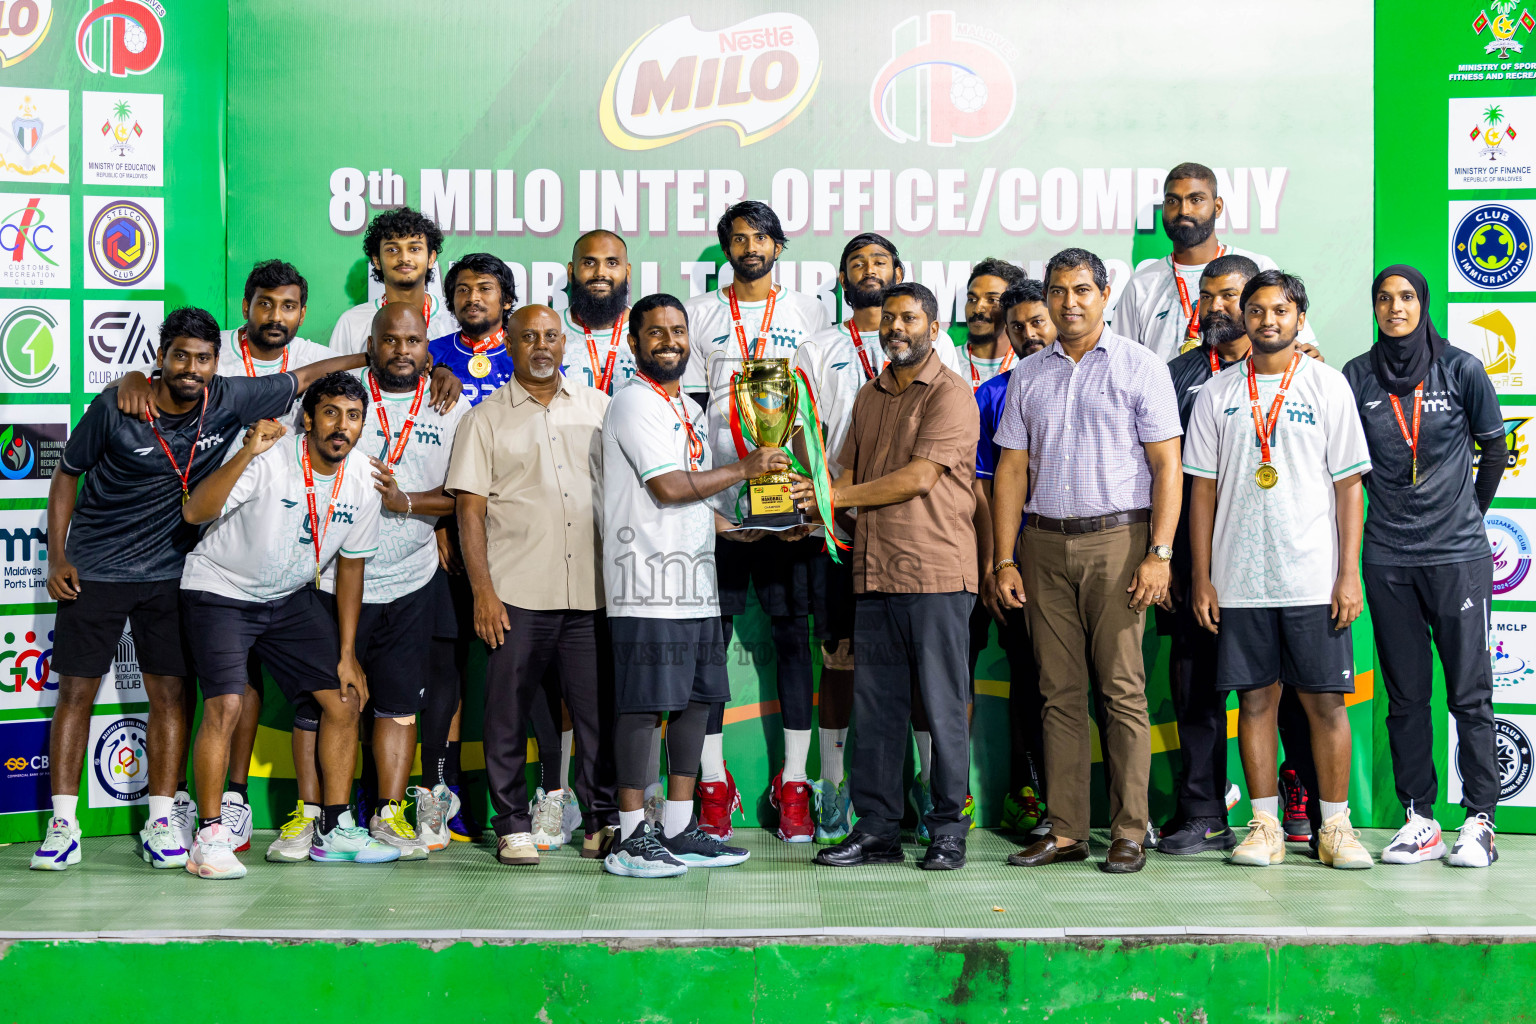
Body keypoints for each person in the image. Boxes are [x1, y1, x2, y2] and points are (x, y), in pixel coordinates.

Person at [31, 308, 349, 872]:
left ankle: (160, 819)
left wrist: (378, 358)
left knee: (172, 698)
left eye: (203, 358)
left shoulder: (226, 398)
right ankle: (63, 824)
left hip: (172, 576)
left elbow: (302, 379)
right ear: (160, 358)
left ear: (215, 362)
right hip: (96, 572)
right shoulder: (117, 404)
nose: (192, 368)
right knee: (76, 695)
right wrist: (58, 556)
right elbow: (66, 474)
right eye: (180, 356)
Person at [992, 248, 1182, 875]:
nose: (1068, 303)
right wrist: (1003, 558)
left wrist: (1159, 553)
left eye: (1081, 290)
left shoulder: (1141, 366)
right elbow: (1012, 471)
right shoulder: (1028, 375)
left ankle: (1130, 829)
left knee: (1123, 691)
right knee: (1058, 695)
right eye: (1057, 291)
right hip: (1042, 545)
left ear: (1104, 295)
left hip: (1120, 543)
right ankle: (1068, 829)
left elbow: (1166, 468)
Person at [1184, 269, 1374, 871]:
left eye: (1281, 310)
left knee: (1324, 705)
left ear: (1299, 317)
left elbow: (1349, 488)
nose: (1268, 321)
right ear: (1244, 317)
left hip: (1314, 575)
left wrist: (1349, 575)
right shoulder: (1217, 394)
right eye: (1258, 310)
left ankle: (1336, 828)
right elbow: (1203, 493)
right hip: (1240, 578)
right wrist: (1203, 577)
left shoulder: (1328, 386)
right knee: (1256, 703)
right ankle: (1264, 823)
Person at [794, 281, 979, 871]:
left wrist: (834, 494)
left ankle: (948, 829)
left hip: (937, 572)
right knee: (876, 709)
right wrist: (809, 496)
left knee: (942, 706)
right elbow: (845, 465)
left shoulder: (951, 393)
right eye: (888, 320)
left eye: (909, 318)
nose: (896, 328)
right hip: (873, 573)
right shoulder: (870, 396)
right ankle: (877, 829)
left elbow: (918, 478)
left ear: (933, 326)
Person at [178, 372, 393, 878]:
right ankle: (209, 837)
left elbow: (352, 569)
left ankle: (335, 830)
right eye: (331, 413)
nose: (342, 426)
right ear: (309, 419)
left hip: (286, 597)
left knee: (344, 698)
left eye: (353, 416)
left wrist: (346, 652)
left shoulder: (364, 477)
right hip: (220, 589)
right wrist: (246, 453)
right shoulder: (270, 458)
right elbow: (194, 513)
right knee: (226, 703)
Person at [601, 293, 783, 877]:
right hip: (646, 581)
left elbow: (695, 501)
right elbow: (670, 488)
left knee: (698, 705)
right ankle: (631, 838)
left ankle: (679, 829)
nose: (670, 341)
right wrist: (747, 470)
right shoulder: (633, 402)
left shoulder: (683, 406)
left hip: (695, 581)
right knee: (643, 706)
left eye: (678, 331)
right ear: (635, 343)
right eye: (655, 332)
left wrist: (736, 527)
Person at [1156, 255, 1322, 855]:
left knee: (1289, 691)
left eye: (1231, 295)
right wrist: (1170, 559)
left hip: (1277, 564)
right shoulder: (1173, 375)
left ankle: (1298, 794)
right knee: (1197, 690)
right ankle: (1203, 810)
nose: (1218, 306)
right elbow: (1163, 471)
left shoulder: (1307, 378)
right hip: (1197, 565)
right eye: (1209, 296)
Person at [1345, 265, 1507, 868]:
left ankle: (1481, 820)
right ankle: (1420, 818)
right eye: (1384, 299)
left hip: (1458, 557)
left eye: (1407, 298)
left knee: (1470, 693)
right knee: (1406, 696)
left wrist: (1468, 511)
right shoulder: (1357, 375)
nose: (1396, 308)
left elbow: (1494, 446)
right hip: (1387, 557)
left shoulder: (1462, 367)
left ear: (1424, 304)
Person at [446, 304, 619, 866]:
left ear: (564, 344)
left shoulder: (601, 409)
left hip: (594, 593)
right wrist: (483, 592)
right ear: (509, 346)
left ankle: (599, 821)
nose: (541, 346)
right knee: (505, 714)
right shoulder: (485, 418)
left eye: (550, 336)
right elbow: (469, 512)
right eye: (528, 338)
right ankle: (513, 824)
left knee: (597, 718)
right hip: (516, 594)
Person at [681, 200, 828, 842]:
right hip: (719, 509)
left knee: (794, 642)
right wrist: (703, 506)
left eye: (761, 237)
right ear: (726, 249)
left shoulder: (808, 313)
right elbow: (686, 409)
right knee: (707, 644)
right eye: (738, 238)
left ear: (778, 245)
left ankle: (794, 783)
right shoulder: (702, 316)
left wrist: (810, 499)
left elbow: (816, 417)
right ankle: (713, 780)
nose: (750, 247)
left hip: (788, 510)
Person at [312, 303, 472, 861]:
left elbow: (465, 496)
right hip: (334, 576)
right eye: (389, 341)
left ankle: (388, 814)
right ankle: (323, 818)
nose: (401, 351)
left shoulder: (450, 403)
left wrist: (405, 502)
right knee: (335, 700)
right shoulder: (341, 392)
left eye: (413, 341)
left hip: (411, 576)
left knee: (400, 705)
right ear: (371, 343)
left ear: (428, 346)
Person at [422, 251, 520, 844]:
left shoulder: (532, 351)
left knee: (524, 668)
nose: (473, 298)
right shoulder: (430, 353)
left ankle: (541, 795)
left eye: (485, 288)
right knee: (447, 670)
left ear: (505, 298)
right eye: (461, 290)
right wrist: (443, 524)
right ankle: (442, 790)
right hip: (453, 530)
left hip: (517, 531)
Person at [974, 277, 1054, 838]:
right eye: (1018, 327)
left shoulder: (1106, 379)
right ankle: (1027, 792)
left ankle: (1121, 810)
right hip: (1020, 562)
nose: (1028, 335)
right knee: (1030, 678)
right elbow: (981, 488)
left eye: (1037, 323)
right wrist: (994, 560)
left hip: (1089, 553)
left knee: (1106, 682)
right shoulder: (992, 395)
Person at [1114, 162, 1316, 363]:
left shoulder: (1257, 267)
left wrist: (1307, 356)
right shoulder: (1141, 284)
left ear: (1217, 207)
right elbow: (1122, 361)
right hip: (1165, 394)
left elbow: (1300, 346)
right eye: (1173, 201)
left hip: (1246, 390)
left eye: (1196, 199)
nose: (1184, 210)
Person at [329, 207, 457, 355]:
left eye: (414, 249)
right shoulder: (352, 323)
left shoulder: (453, 316)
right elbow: (335, 377)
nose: (404, 258)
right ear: (376, 260)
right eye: (392, 250)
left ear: (431, 258)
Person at [562, 229, 638, 393]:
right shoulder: (550, 329)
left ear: (627, 272)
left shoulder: (645, 330)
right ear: (571, 271)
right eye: (589, 263)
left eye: (612, 263)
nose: (600, 273)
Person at [961, 257, 1026, 390]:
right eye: (972, 299)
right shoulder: (946, 361)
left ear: (1013, 307)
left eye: (992, 300)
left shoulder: (1026, 364)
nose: (978, 308)